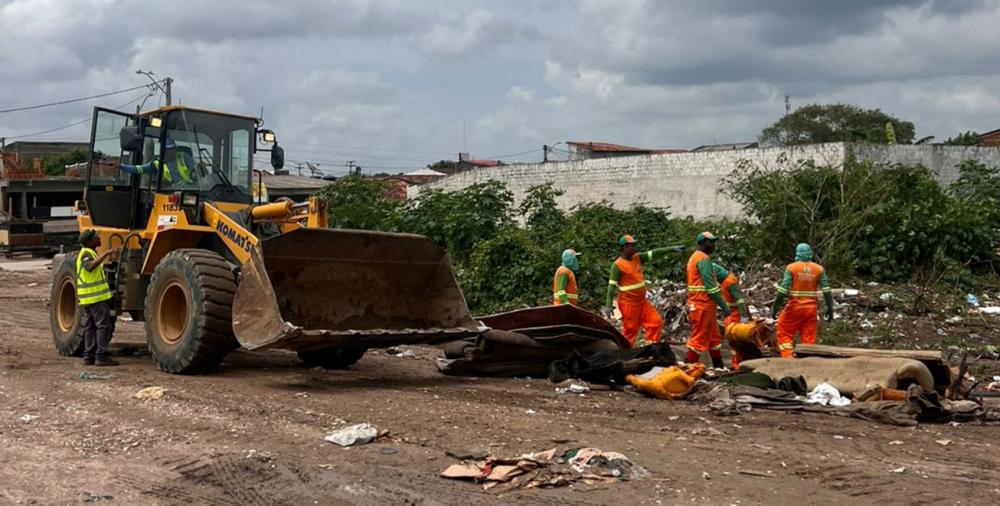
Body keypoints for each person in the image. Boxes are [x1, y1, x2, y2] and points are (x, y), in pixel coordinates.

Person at [603, 234, 685, 347]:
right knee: (630, 331)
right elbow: (611, 287)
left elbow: (654, 253)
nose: (634, 248)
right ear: (624, 247)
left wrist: (670, 249)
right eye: (632, 245)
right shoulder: (617, 265)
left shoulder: (637, 258)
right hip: (629, 304)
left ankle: (650, 348)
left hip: (642, 302)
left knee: (655, 322)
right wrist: (608, 305)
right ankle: (624, 355)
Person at [770, 243, 834, 358]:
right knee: (808, 340)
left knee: (784, 333)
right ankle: (807, 364)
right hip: (811, 310)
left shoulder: (791, 268)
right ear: (810, 254)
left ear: (797, 254)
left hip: (794, 308)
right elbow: (827, 291)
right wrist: (830, 308)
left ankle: (788, 359)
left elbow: (783, 290)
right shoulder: (818, 269)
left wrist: (775, 307)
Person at [685, 232, 731, 368]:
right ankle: (688, 368)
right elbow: (710, 287)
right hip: (702, 305)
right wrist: (724, 306)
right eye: (710, 242)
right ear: (702, 243)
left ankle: (719, 367)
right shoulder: (703, 259)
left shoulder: (695, 257)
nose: (713, 245)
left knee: (714, 338)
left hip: (703, 305)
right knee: (698, 338)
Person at [76, 230, 119, 366]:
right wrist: (106, 254)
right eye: (96, 237)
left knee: (91, 327)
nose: (99, 238)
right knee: (103, 326)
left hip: (91, 299)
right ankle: (100, 356)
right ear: (90, 242)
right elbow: (89, 267)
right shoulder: (86, 254)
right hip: (94, 298)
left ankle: (89, 356)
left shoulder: (91, 253)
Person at [120, 137, 195, 184]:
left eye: (173, 148)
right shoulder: (157, 164)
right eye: (169, 149)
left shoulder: (184, 157)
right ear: (163, 150)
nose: (173, 151)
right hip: (174, 193)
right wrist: (122, 166)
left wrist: (201, 168)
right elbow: (140, 169)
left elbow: (197, 172)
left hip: (191, 189)